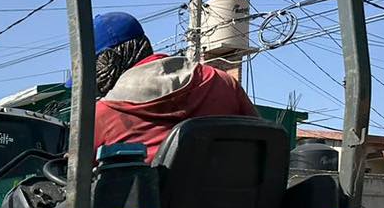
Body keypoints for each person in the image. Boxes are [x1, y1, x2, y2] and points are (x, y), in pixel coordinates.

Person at [91, 11, 258, 162]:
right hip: (233, 194)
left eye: (94, 68)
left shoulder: (102, 115)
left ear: (111, 58)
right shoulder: (223, 82)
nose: (94, 81)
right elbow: (263, 143)